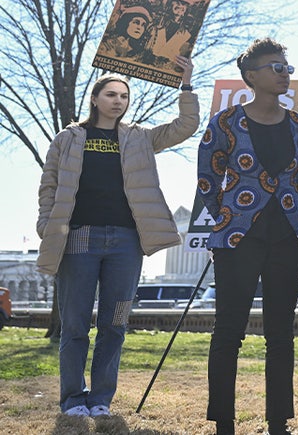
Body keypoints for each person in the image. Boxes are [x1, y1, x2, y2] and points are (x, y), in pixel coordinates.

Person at [37, 61, 199, 418]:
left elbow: (185, 126)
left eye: (124, 96)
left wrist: (185, 86)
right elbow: (48, 185)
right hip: (79, 238)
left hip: (126, 243)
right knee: (76, 325)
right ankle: (73, 400)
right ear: (95, 99)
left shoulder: (138, 137)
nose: (118, 101)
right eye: (110, 94)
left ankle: (100, 400)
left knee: (115, 323)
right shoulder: (68, 138)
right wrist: (46, 225)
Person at [199, 38, 298, 435]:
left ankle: (278, 422)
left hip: (288, 237)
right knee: (229, 329)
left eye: (287, 67)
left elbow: (296, 180)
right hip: (237, 238)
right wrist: (230, 218)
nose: (285, 73)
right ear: (251, 76)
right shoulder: (226, 122)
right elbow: (208, 180)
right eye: (276, 67)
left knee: (281, 331)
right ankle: (223, 424)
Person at [146, 0, 194, 67]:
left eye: (183, 7)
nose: (180, 8)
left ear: (185, 11)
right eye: (177, 5)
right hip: (147, 61)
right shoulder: (155, 25)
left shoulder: (186, 35)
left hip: (166, 66)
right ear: (170, 7)